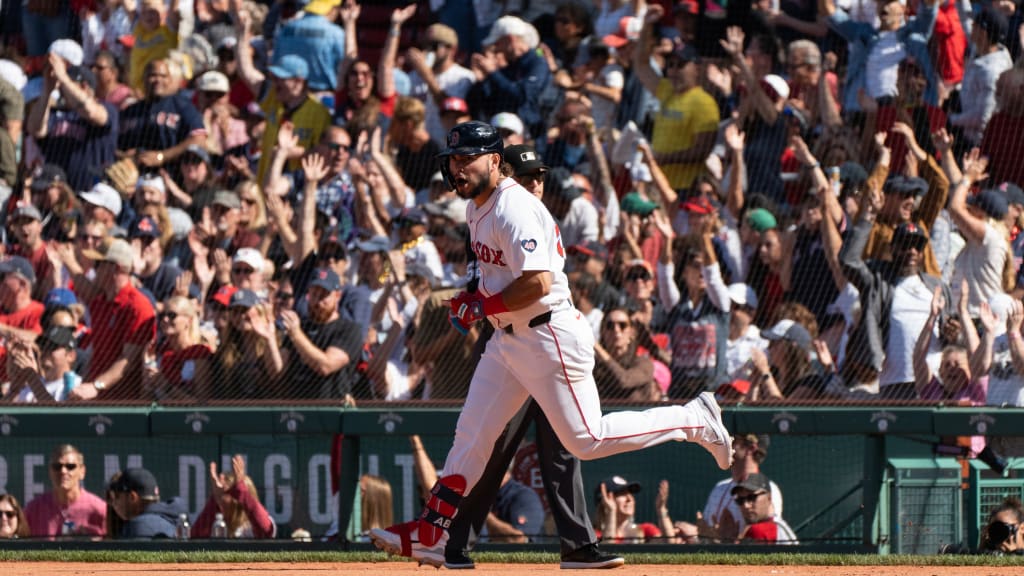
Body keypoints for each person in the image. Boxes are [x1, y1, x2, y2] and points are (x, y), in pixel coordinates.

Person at [368, 121, 732, 567]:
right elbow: (496, 278)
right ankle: (436, 534)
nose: (458, 169)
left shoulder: (513, 207)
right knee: (472, 435)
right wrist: (472, 298)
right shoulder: (475, 208)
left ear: (495, 161)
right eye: (454, 161)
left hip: (547, 334)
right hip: (508, 341)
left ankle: (694, 419)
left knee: (586, 440)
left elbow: (538, 283)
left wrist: (481, 306)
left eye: (467, 159)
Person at [58, 239, 157, 401]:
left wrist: (97, 386)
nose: (94, 270)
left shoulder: (137, 306)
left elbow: (128, 360)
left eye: (99, 264)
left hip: (124, 404)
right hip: (96, 398)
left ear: (116, 268)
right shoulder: (101, 301)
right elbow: (83, 285)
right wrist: (69, 261)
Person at [278, 268, 363, 399]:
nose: (318, 301)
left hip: (330, 409)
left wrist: (296, 335)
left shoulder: (348, 329)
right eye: (314, 294)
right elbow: (278, 371)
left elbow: (326, 366)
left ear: (337, 296)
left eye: (324, 295)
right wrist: (269, 338)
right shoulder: (301, 326)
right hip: (295, 408)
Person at [697, 434, 784, 542]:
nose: (726, 445)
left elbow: (766, 539)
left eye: (733, 442)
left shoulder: (768, 490)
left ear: (751, 447)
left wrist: (723, 541)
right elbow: (705, 537)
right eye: (741, 500)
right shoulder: (719, 488)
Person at [24, 444, 106, 537]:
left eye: (70, 466)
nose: (63, 471)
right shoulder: (33, 510)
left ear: (82, 471)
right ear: (50, 471)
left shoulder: (99, 510)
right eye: (57, 466)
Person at [190, 454, 275, 538]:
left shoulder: (250, 527)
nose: (221, 501)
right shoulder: (218, 525)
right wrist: (215, 500)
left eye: (224, 493)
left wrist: (241, 491)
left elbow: (266, 531)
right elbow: (195, 535)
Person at [108, 467, 187, 538]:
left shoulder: (137, 526)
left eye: (116, 496)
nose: (113, 503)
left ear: (132, 497)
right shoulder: (179, 519)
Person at [593, 476, 664, 543]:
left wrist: (662, 509)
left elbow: (669, 545)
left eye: (630, 493)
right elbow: (607, 550)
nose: (629, 499)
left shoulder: (646, 530)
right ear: (604, 502)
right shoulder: (592, 535)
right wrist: (611, 512)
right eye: (621, 494)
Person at [731, 473, 798, 544]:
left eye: (752, 497)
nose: (746, 505)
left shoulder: (759, 530)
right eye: (740, 500)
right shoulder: (780, 526)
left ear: (769, 498)